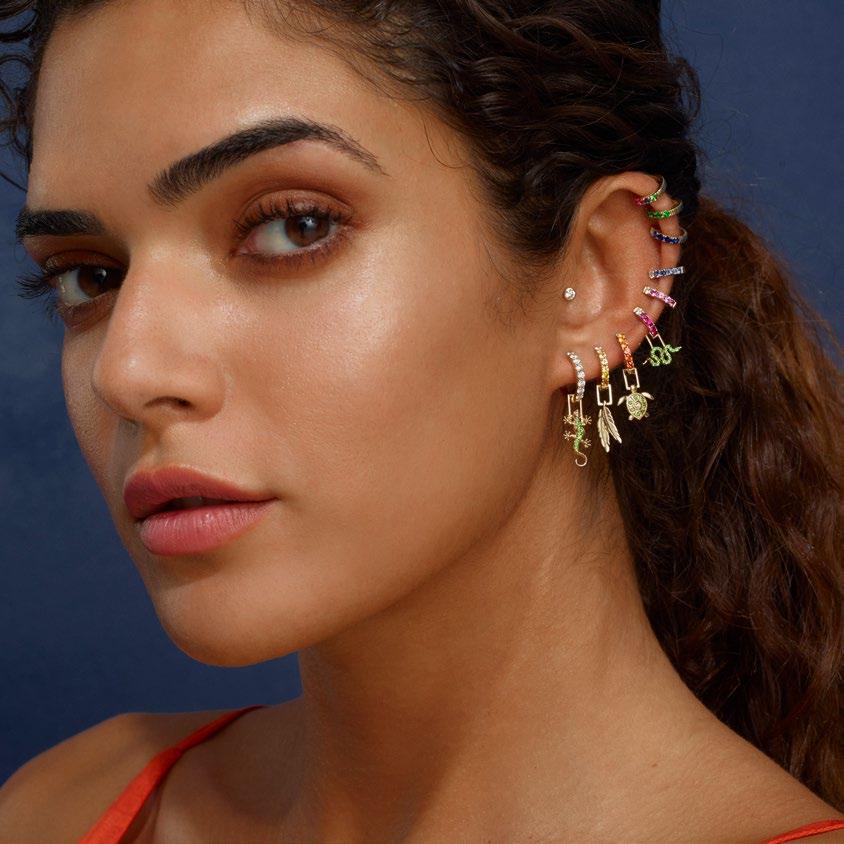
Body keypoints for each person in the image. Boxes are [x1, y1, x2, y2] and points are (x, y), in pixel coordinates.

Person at [0, 0, 842, 841]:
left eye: (294, 226)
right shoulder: (62, 810)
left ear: (600, 281)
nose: (128, 372)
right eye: (90, 277)